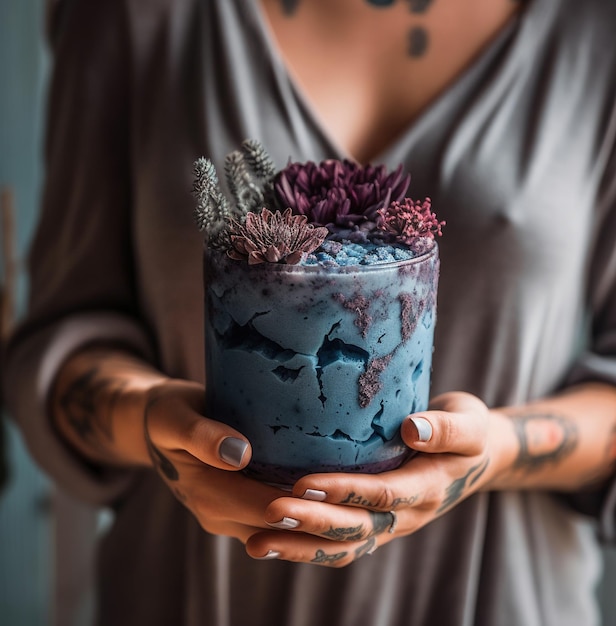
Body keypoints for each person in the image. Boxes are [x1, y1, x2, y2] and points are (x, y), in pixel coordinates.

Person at [4, 0, 616, 624]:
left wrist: (496, 452)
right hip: (195, 591)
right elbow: (59, 344)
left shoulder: (595, 30)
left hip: (496, 594)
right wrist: (150, 419)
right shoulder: (133, 16)